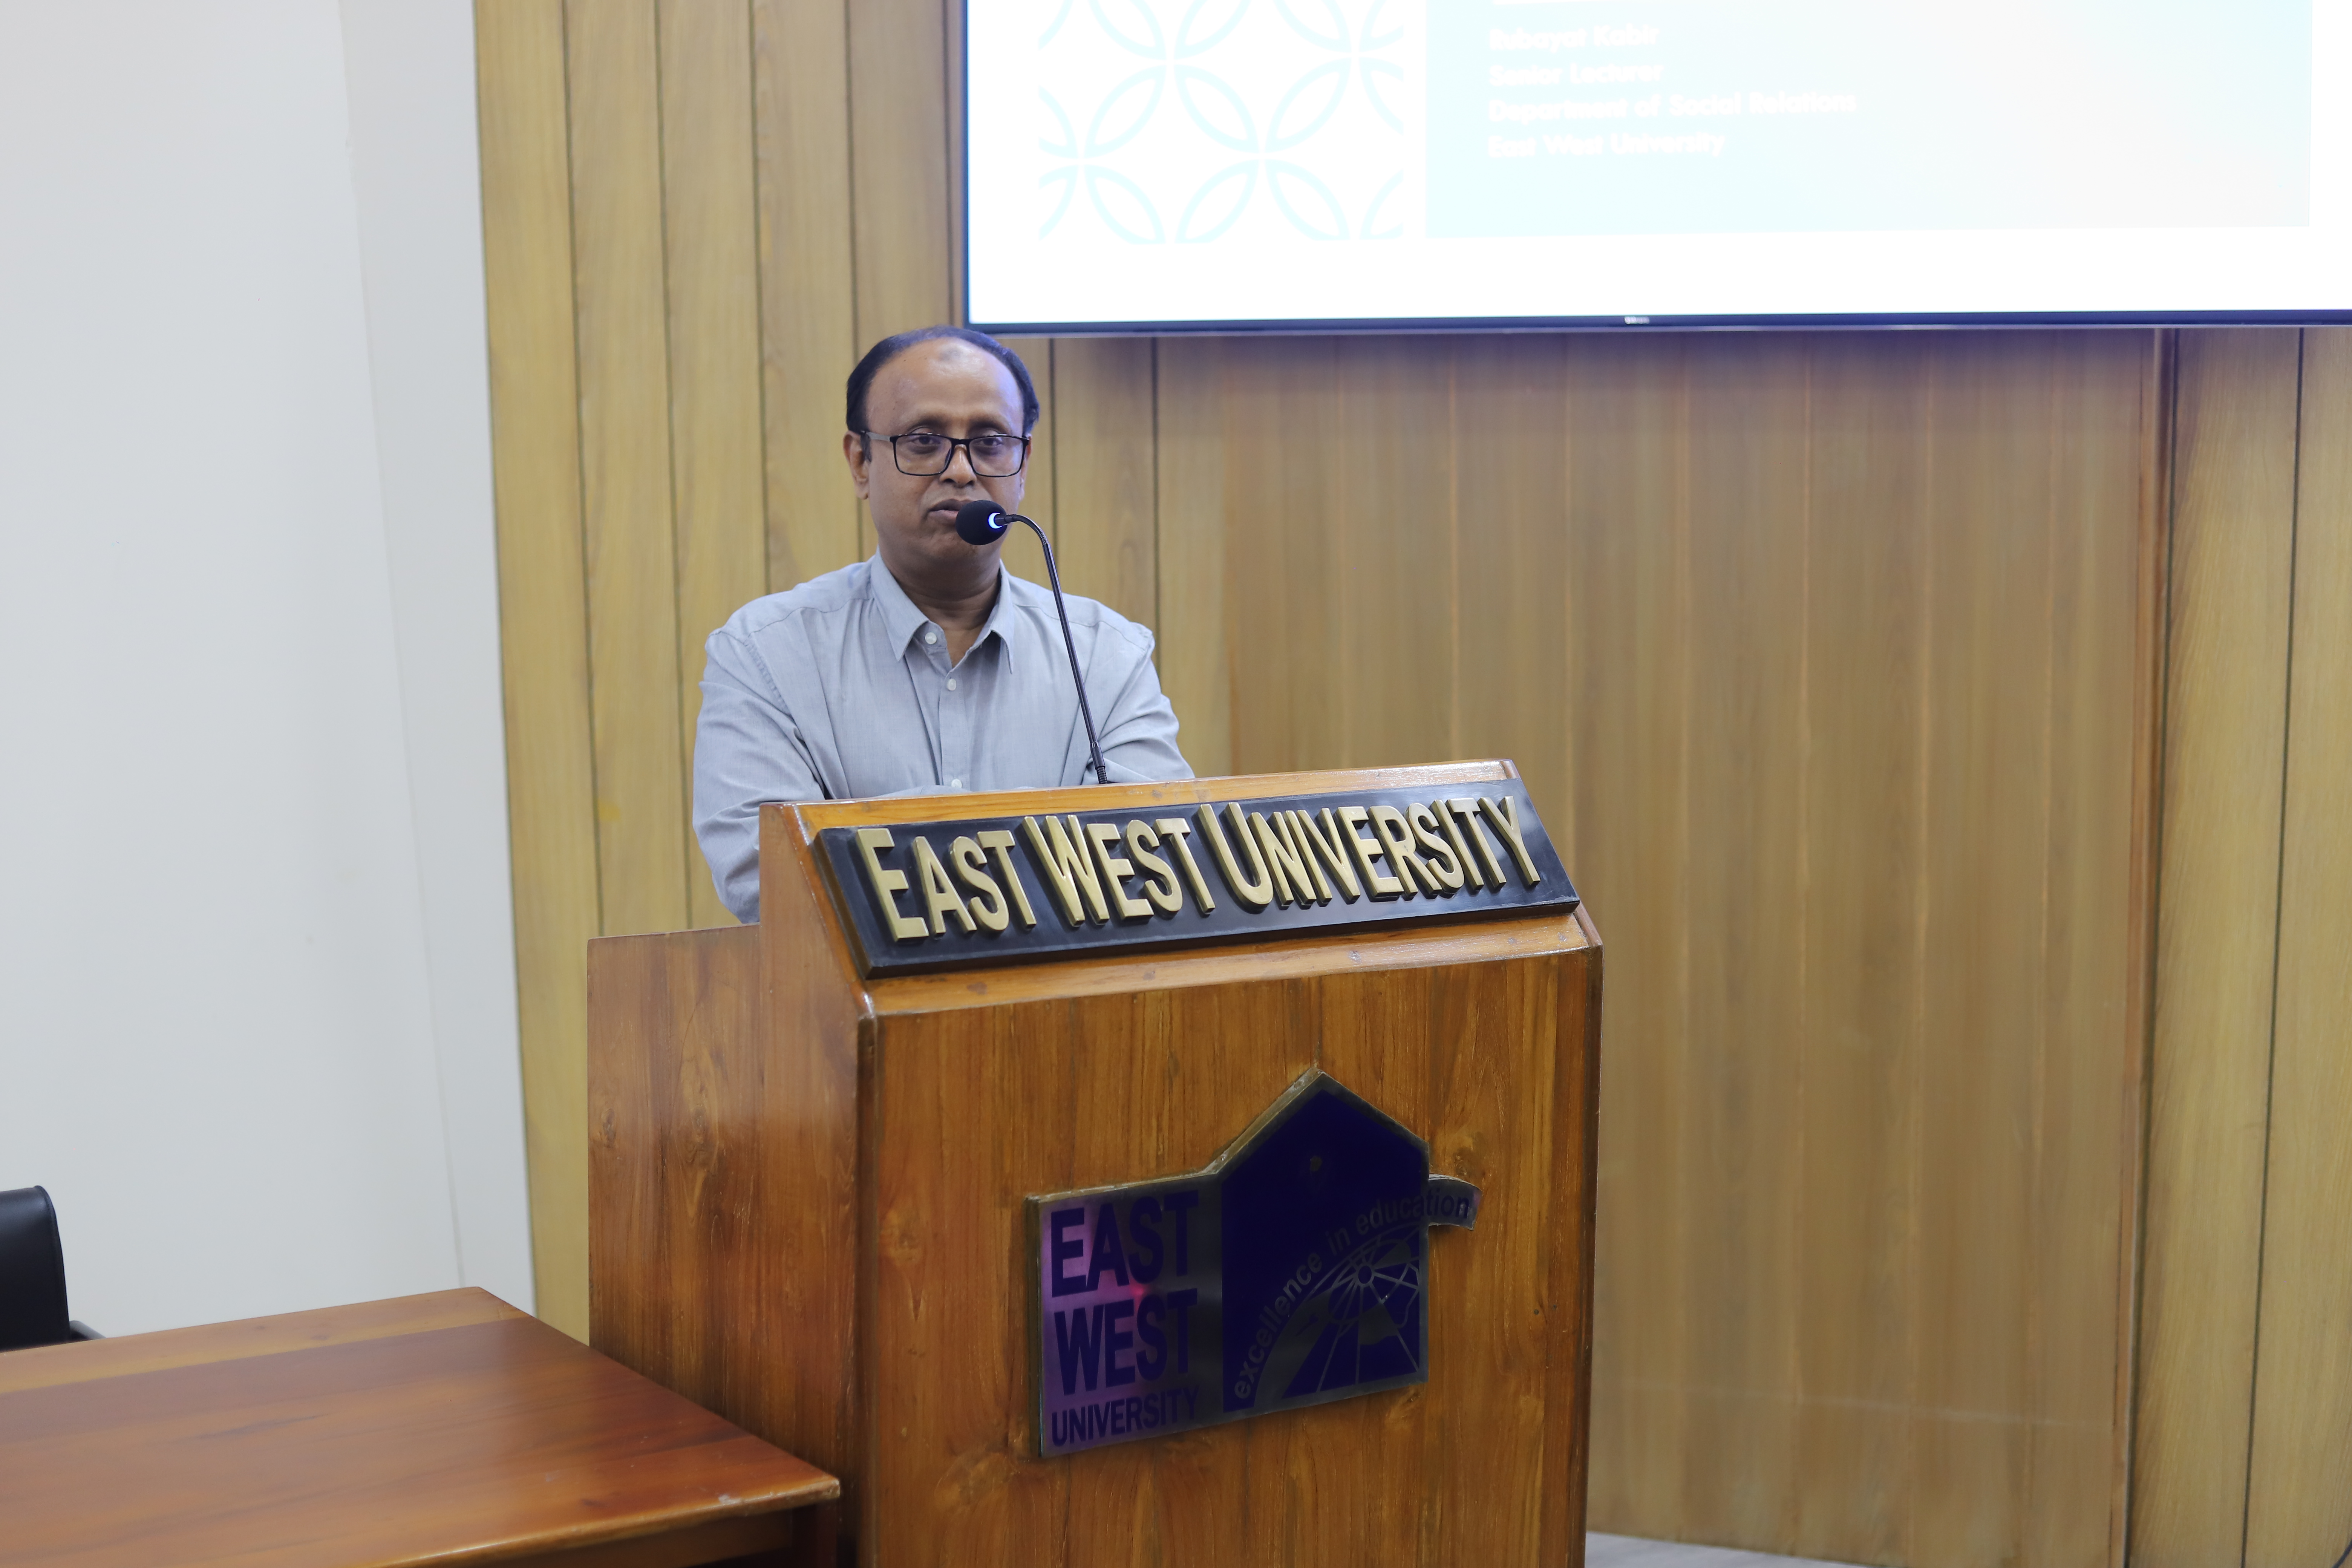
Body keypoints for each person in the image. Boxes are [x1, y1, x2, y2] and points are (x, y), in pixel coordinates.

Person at [692, 326, 1192, 923]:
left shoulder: (1107, 656)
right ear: (860, 461)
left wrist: (882, 843)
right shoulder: (766, 655)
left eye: (991, 442)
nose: (960, 470)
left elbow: (1155, 859)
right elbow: (764, 875)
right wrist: (1031, 846)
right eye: (925, 441)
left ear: (1023, 464)